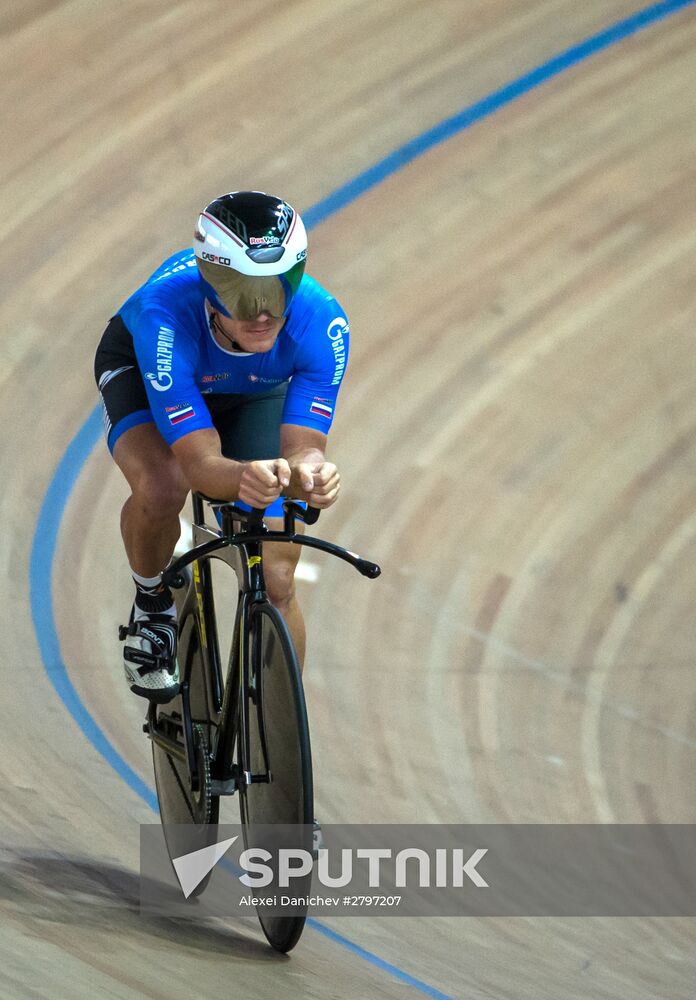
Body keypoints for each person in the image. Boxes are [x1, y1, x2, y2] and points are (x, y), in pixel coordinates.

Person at [94, 190, 349, 701]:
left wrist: (312, 475)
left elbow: (303, 449)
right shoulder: (163, 319)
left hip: (254, 387)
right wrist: (243, 477)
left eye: (279, 291)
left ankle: (277, 726)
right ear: (209, 282)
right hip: (152, 375)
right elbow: (200, 463)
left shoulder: (322, 322)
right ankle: (152, 605)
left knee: (277, 575)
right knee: (164, 485)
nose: (262, 313)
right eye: (241, 293)